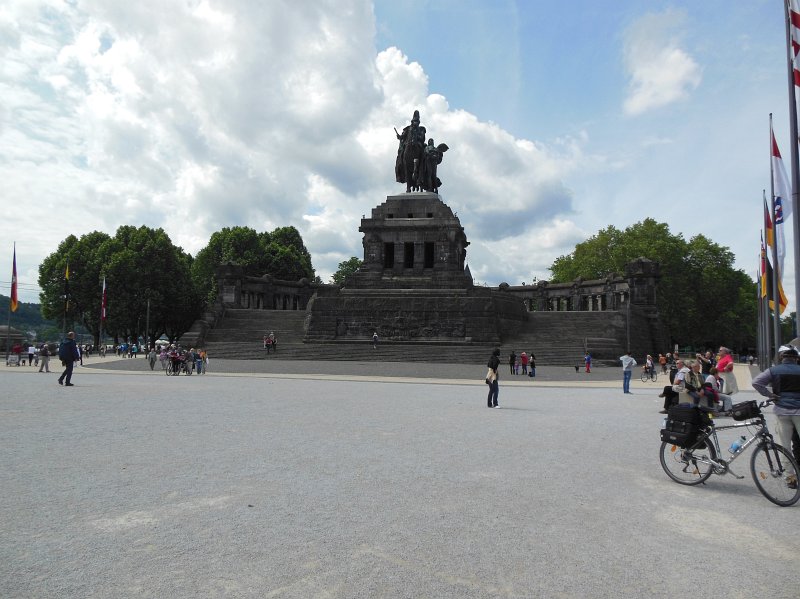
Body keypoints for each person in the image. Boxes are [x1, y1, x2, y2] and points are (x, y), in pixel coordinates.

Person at [752, 344, 800, 486]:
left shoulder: (773, 370)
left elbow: (756, 382)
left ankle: (790, 478)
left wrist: (770, 395)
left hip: (781, 411)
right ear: (796, 358)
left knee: (784, 446)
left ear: (781, 357)